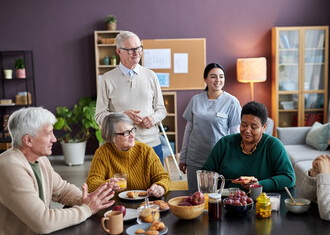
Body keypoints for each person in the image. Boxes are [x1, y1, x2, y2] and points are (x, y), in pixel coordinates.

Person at [0, 107, 114, 235]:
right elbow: (43, 222)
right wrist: (87, 209)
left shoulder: (40, 159)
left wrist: (85, 199)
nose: (54, 139)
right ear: (28, 140)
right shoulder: (10, 167)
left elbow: (61, 190)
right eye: (48, 134)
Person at [95, 30, 166, 164]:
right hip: (120, 147)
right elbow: (99, 116)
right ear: (118, 51)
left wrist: (152, 118)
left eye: (139, 48)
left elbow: (161, 110)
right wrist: (122, 116)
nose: (137, 53)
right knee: (123, 185)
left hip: (151, 145)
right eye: (131, 50)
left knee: (157, 184)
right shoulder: (107, 79)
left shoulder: (151, 76)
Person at [202, 101, 295, 192]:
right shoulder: (225, 143)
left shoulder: (273, 145)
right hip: (225, 200)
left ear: (264, 127)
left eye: (253, 127)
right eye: (244, 125)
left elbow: (289, 178)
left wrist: (259, 184)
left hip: (261, 201)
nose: (247, 130)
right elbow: (205, 173)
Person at [179, 63, 241, 193]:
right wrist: (183, 157)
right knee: (195, 196)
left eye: (221, 76)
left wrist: (234, 159)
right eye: (213, 76)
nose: (218, 80)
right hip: (195, 157)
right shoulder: (195, 100)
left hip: (219, 158)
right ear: (205, 79)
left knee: (216, 196)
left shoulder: (232, 102)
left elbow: (235, 135)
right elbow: (188, 130)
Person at [86, 113, 170, 197]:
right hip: (114, 206)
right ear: (112, 137)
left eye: (132, 130)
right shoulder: (102, 153)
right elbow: (91, 184)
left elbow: (163, 177)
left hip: (143, 205)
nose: (132, 135)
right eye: (126, 133)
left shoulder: (146, 150)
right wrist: (108, 184)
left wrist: (161, 187)